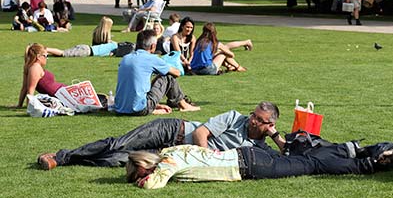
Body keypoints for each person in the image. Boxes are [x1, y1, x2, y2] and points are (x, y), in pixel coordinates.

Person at [37, 101, 285, 169]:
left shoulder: (259, 146)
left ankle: (74, 160)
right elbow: (201, 132)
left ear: (269, 124)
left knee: (118, 160)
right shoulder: (235, 117)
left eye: (258, 119)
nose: (252, 119)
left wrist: (274, 136)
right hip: (173, 130)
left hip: (172, 153)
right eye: (253, 115)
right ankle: (61, 156)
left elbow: (284, 154)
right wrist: (205, 155)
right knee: (118, 143)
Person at [125, 141, 378, 189]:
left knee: (312, 165)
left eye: (140, 172)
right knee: (304, 160)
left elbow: (153, 186)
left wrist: (143, 181)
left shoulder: (168, 162)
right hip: (247, 155)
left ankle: (364, 165)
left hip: (250, 166)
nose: (143, 175)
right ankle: (347, 149)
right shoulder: (171, 151)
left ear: (145, 165)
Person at [114, 30, 200, 115]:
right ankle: (183, 105)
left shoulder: (126, 58)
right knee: (168, 77)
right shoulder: (152, 59)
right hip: (139, 109)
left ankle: (155, 107)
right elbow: (177, 73)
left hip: (120, 107)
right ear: (153, 46)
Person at [46, 42, 118, 58]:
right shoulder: (115, 48)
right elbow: (111, 54)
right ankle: (44, 49)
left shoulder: (113, 44)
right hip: (87, 51)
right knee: (63, 53)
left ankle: (45, 53)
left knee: (62, 53)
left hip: (86, 47)